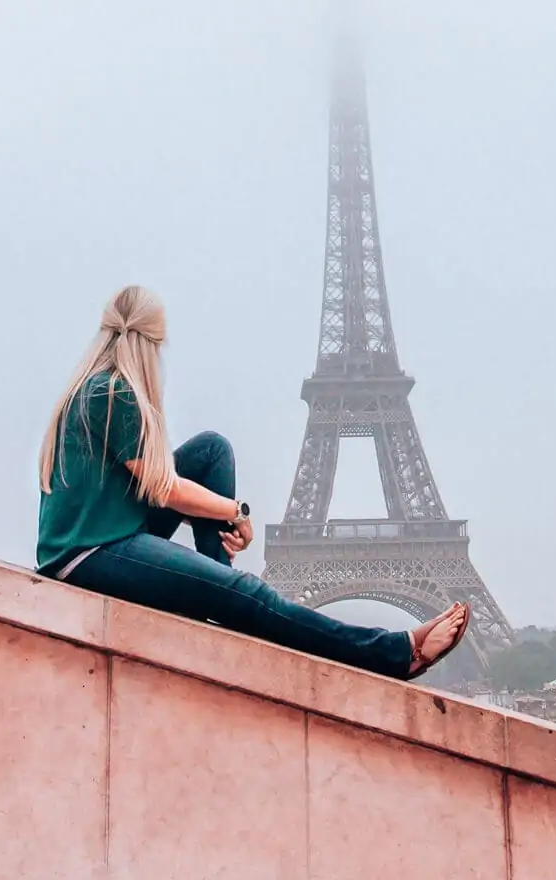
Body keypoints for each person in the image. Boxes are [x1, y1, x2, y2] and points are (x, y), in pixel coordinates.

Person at [37, 285, 470, 680]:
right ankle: (395, 652)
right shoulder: (113, 392)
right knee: (247, 592)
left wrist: (223, 519)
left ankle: (220, 588)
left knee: (212, 449)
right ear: (151, 344)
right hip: (90, 554)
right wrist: (234, 511)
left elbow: (149, 487)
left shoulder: (97, 387)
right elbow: (165, 489)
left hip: (110, 536)